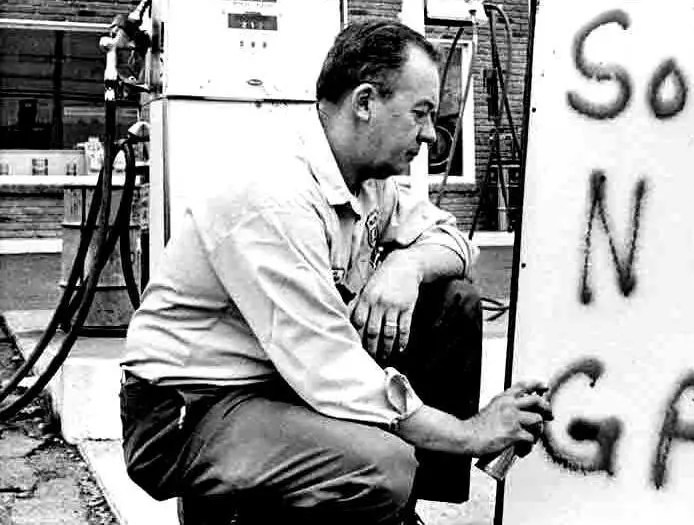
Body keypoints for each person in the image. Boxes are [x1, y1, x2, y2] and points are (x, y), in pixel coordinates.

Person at [119, 20, 550, 525]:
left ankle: (396, 508)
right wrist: (470, 433)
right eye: (421, 113)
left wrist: (406, 265)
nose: (431, 134)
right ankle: (226, 509)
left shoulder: (365, 179)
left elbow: (456, 242)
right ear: (364, 102)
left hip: (278, 380)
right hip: (190, 410)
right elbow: (332, 371)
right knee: (380, 466)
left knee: (451, 299)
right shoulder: (274, 192)